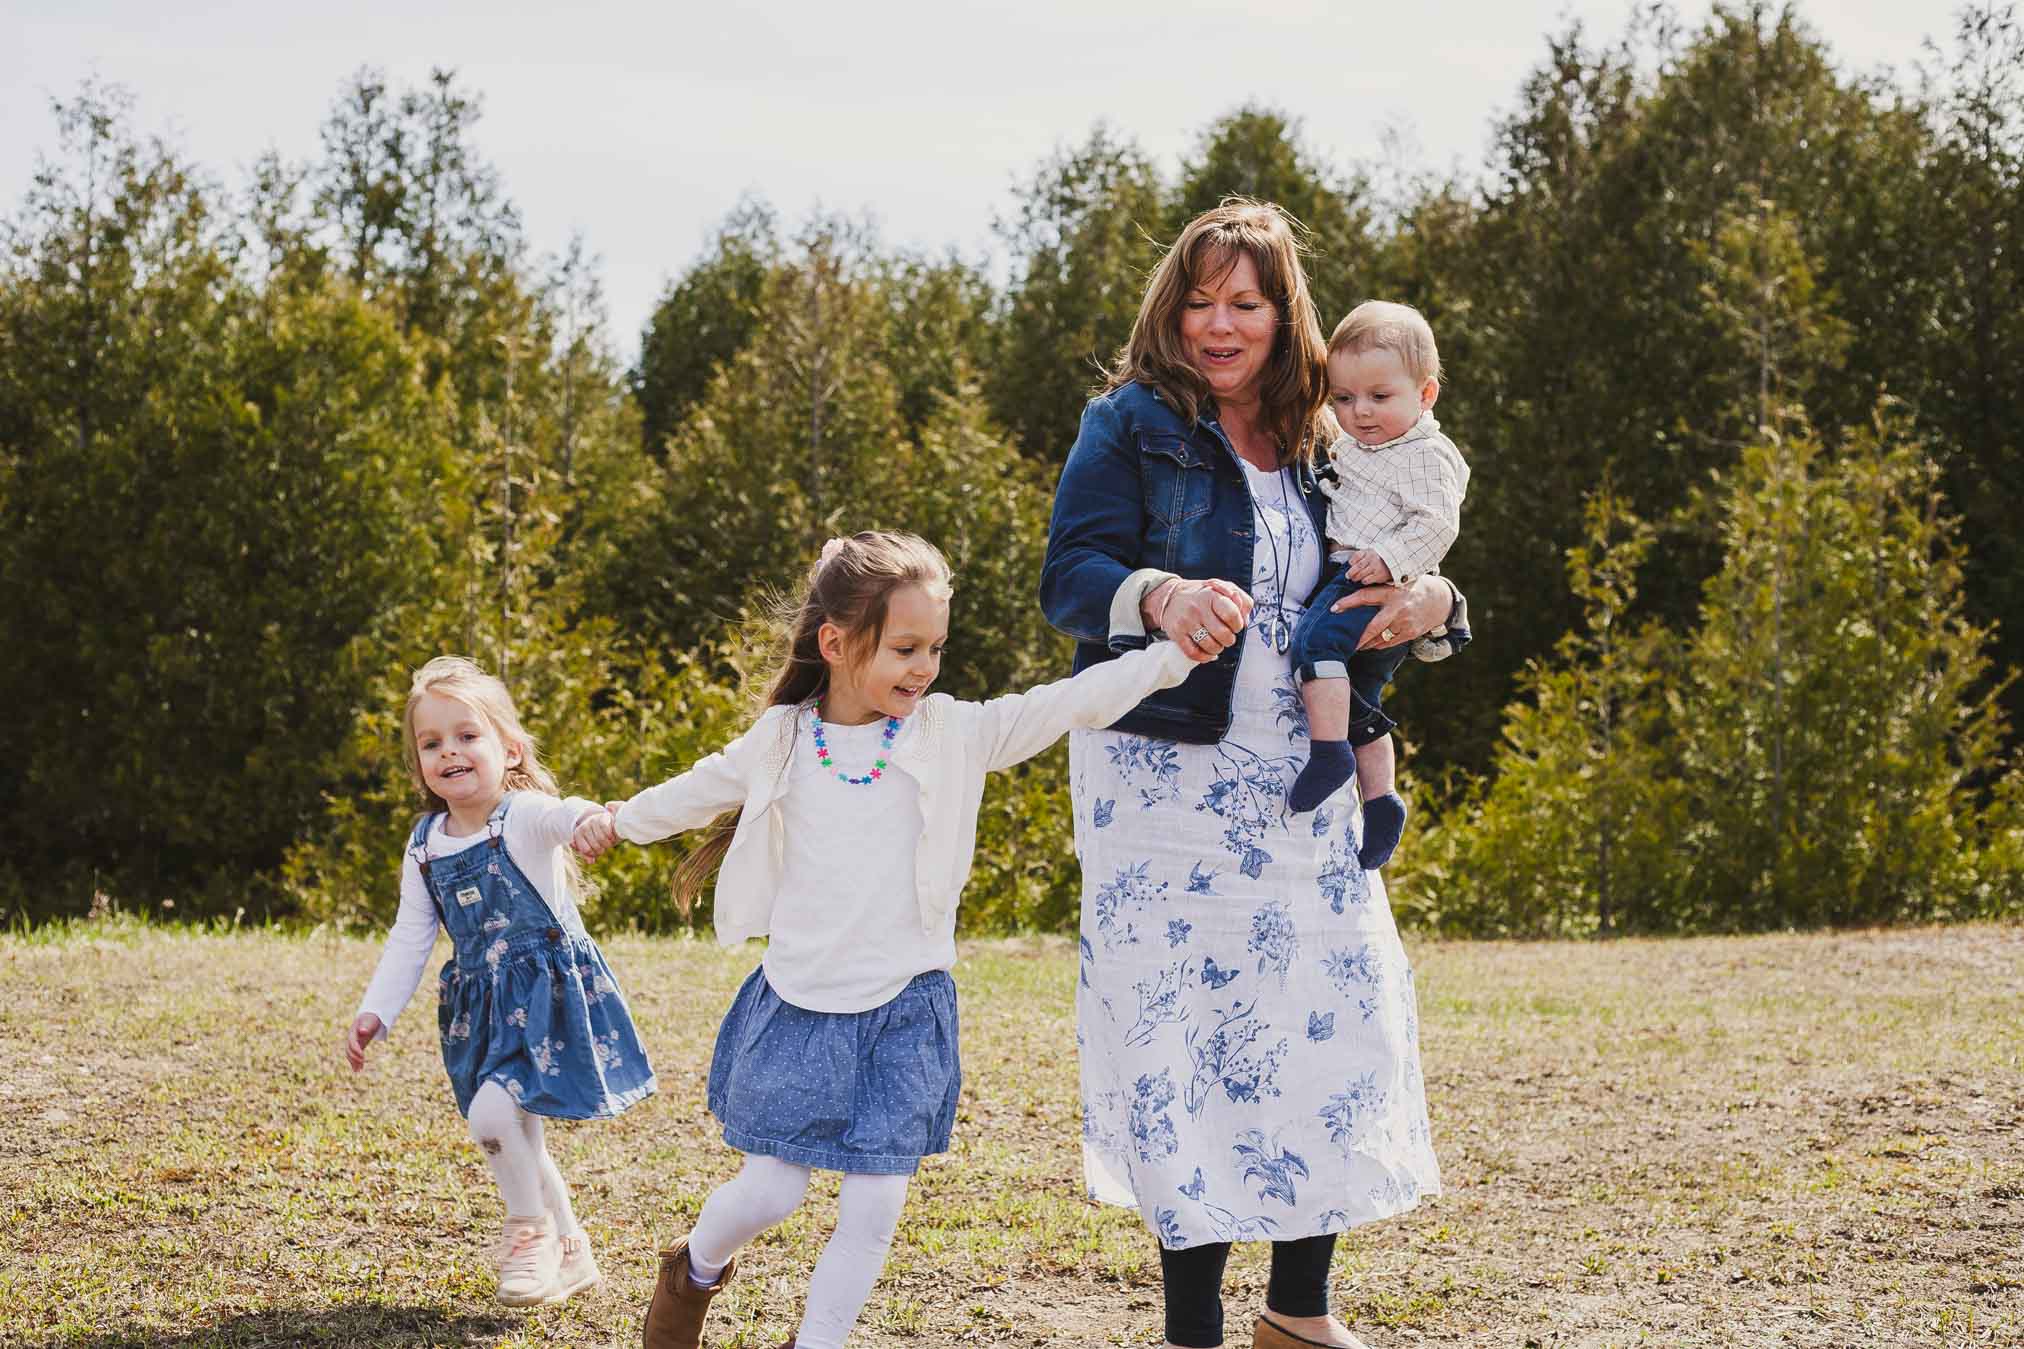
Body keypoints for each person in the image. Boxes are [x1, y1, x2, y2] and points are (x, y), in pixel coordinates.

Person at [583, 531, 1211, 1349]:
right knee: (770, 1191)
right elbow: (695, 790)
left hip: (905, 1008)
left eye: (936, 648)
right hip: (800, 1003)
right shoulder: (782, 739)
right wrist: (615, 822)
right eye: (906, 647)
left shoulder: (950, 733)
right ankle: (692, 1270)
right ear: (836, 643)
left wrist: (1172, 656)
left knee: (875, 1201)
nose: (925, 667)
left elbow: (1069, 701)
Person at [1039, 200, 1463, 1349]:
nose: (1217, 324)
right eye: (1198, 300)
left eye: (1244, 303)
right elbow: (1068, 576)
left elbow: (1412, 556)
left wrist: (1433, 605)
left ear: (1285, 317)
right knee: (1180, 1036)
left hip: (1302, 774)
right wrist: (1157, 596)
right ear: (1168, 308)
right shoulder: (1128, 423)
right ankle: (1192, 1330)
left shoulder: (1336, 430)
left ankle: (1296, 1308)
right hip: (1162, 778)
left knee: (1320, 1017)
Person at [343, 656, 656, 1307]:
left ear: (508, 747)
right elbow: (411, 936)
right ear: (419, 761)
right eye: (432, 743)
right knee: (518, 1135)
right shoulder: (425, 844)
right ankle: (571, 1250)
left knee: (492, 1114)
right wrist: (377, 1010)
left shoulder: (519, 815)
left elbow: (563, 812)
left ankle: (528, 1232)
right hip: (478, 1008)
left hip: (546, 999)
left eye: (466, 735)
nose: (449, 751)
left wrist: (590, 820)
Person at [1285, 300, 1471, 870]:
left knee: (1315, 649)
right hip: (1363, 572)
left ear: (1426, 395)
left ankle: (1328, 754)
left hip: (1369, 577)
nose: (1359, 412)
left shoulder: (1422, 455)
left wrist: (1392, 562)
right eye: (1342, 399)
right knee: (1361, 694)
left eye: (1379, 397)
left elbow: (1439, 523)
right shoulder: (1363, 445)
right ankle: (1382, 798)